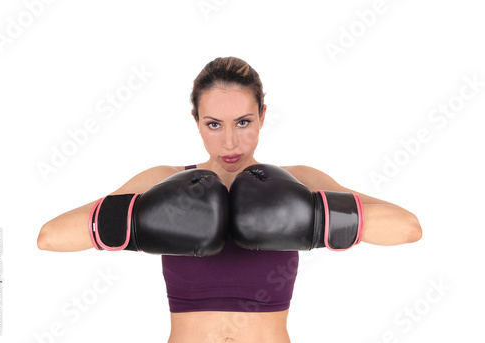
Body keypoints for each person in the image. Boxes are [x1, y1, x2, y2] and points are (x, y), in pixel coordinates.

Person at [37, 56, 422, 342]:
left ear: (263, 116)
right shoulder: (164, 182)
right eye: (213, 125)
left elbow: (407, 228)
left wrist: (315, 217)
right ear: (196, 121)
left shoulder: (300, 182)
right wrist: (143, 220)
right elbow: (50, 237)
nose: (230, 142)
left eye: (243, 122)